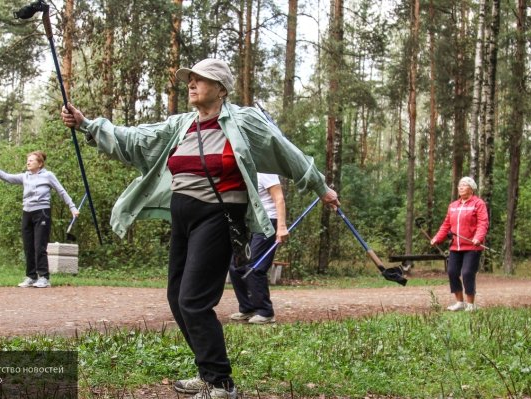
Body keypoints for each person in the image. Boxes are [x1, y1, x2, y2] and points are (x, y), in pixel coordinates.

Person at [60, 58, 340, 399]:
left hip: (220, 216)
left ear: (221, 88)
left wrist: (321, 187)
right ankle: (208, 372)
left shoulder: (244, 121)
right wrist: (87, 124)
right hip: (183, 218)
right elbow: (135, 140)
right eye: (190, 79)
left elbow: (286, 150)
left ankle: (221, 382)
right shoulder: (181, 125)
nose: (191, 84)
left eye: (200, 80)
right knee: (177, 298)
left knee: (193, 299)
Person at [0, 151, 79, 288]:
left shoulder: (48, 175)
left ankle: (44, 277)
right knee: (28, 246)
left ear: (40, 164)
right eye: (28, 160)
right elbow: (7, 177)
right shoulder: (24, 176)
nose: (28, 162)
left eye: (32, 160)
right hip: (27, 212)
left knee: (39, 246)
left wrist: (72, 207)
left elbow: (61, 191)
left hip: (42, 212)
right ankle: (31, 276)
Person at [228, 173, 288, 325]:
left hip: (267, 222)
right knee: (236, 266)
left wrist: (281, 227)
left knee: (254, 267)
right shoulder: (243, 170)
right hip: (250, 223)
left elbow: (279, 198)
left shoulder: (266, 170)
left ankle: (265, 312)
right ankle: (247, 308)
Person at [430, 176, 489, 312]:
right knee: (452, 272)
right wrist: (437, 238)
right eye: (459, 185)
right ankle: (459, 302)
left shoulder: (478, 204)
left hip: (472, 246)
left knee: (468, 273)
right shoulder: (453, 206)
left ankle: (471, 305)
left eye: (464, 185)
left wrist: (478, 237)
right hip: (455, 246)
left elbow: (483, 223)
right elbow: (446, 225)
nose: (460, 187)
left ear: (471, 188)